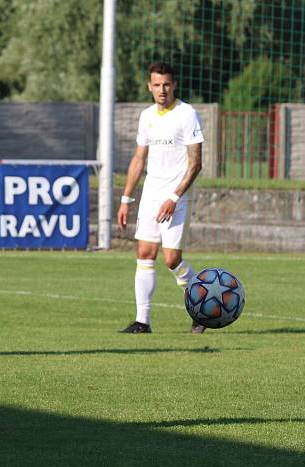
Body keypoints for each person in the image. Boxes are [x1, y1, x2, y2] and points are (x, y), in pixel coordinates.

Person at [117, 62, 205, 335]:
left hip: (176, 197)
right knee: (144, 253)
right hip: (151, 195)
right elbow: (138, 158)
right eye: (156, 85)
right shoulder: (146, 116)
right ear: (149, 86)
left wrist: (174, 197)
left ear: (174, 85)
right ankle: (142, 322)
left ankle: (200, 306)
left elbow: (196, 164)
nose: (162, 90)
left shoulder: (187, 114)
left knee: (171, 259)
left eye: (166, 84)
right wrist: (125, 198)